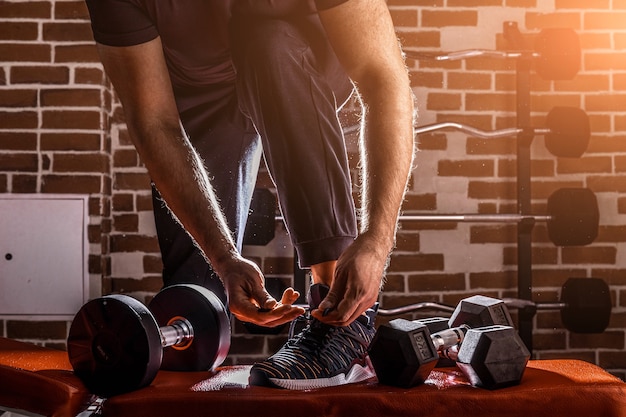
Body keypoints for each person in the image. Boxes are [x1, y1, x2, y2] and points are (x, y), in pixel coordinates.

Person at [84, 0, 415, 389]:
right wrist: (224, 259)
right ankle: (202, 318)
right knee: (196, 292)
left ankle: (340, 312)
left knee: (266, 42)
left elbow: (382, 77)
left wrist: (376, 241)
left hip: (293, 62)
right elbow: (153, 121)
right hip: (204, 93)